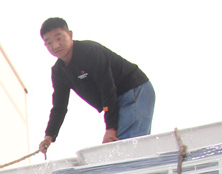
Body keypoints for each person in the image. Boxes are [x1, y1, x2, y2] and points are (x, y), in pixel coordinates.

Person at [37, 17, 155, 155]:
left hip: (133, 91)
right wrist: (49, 136)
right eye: (49, 43)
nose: (56, 46)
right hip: (115, 101)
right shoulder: (58, 71)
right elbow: (59, 106)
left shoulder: (90, 52)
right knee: (117, 150)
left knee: (125, 147)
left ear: (70, 34)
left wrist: (110, 128)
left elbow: (107, 88)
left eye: (59, 38)